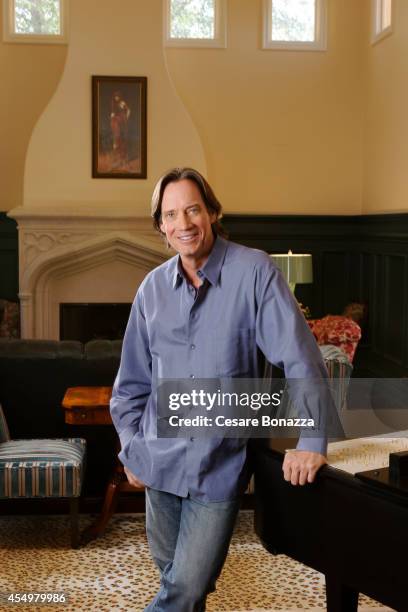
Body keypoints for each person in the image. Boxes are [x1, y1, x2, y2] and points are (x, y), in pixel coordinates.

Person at [110, 167, 329, 612]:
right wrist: (131, 446)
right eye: (171, 214)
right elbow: (130, 384)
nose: (184, 223)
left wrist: (311, 440)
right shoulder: (151, 289)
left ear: (212, 212)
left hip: (219, 466)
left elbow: (300, 357)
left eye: (193, 209)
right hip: (159, 463)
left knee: (185, 588)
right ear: (161, 228)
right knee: (180, 587)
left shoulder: (254, 271)